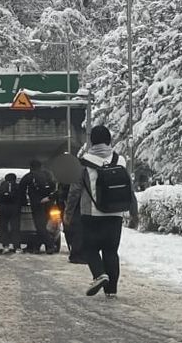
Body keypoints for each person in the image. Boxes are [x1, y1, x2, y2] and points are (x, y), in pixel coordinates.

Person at [65, 125, 139, 298]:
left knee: (89, 249)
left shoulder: (83, 162)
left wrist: (68, 214)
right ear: (109, 140)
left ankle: (99, 274)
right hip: (115, 214)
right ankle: (111, 291)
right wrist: (134, 212)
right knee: (111, 251)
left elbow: (74, 191)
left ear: (92, 141)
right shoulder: (119, 160)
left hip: (91, 215)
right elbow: (130, 188)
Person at [20, 159, 57, 254]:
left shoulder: (29, 176)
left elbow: (21, 189)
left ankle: (50, 245)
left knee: (40, 226)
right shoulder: (48, 175)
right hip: (49, 203)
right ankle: (34, 246)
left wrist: (23, 201)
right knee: (42, 226)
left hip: (37, 204)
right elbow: (54, 186)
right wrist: (50, 197)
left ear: (31, 167)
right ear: (41, 166)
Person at [0, 172, 23, 254]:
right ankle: (17, 247)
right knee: (15, 228)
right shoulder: (17, 186)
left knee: (3, 228)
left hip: (3, 208)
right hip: (14, 209)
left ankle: (5, 246)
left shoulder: (2, 186)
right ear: (15, 179)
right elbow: (22, 197)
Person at [59, 183, 85, 264]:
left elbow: (73, 193)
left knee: (77, 230)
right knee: (79, 230)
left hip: (79, 206)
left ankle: (76, 253)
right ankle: (77, 254)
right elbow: (73, 193)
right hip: (81, 206)